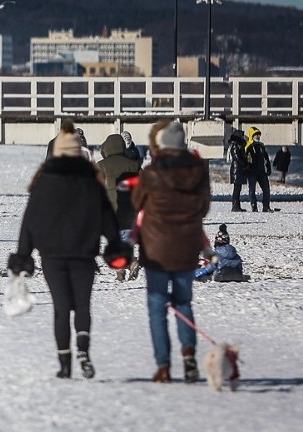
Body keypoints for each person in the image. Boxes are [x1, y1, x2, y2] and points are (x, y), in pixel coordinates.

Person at [7, 120, 125, 379]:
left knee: (61, 308)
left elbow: (31, 220)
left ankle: (64, 363)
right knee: (82, 306)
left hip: (53, 255)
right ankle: (83, 348)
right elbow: (107, 217)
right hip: (84, 253)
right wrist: (115, 244)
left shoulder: (45, 181)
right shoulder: (91, 181)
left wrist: (23, 254)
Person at [131, 120, 211, 384]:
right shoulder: (199, 170)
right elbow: (204, 208)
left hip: (156, 249)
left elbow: (137, 202)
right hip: (187, 247)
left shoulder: (151, 172)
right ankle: (188, 355)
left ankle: (163, 366)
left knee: (157, 306)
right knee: (183, 302)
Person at [96, 133, 142, 281]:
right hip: (130, 211)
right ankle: (123, 269)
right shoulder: (133, 164)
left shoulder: (101, 166)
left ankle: (125, 268)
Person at [244, 127, 273, 212]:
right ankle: (254, 205)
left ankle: (266, 206)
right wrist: (247, 169)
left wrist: (268, 168)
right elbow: (246, 159)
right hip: (252, 172)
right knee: (252, 189)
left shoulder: (261, 146)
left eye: (258, 135)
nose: (257, 136)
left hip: (261, 171)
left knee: (266, 189)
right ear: (251, 136)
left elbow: (266, 158)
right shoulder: (248, 147)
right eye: (255, 135)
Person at [227, 129, 248, 212]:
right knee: (237, 188)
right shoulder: (235, 145)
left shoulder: (238, 144)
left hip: (238, 169)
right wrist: (244, 163)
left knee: (238, 188)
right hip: (237, 169)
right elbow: (237, 156)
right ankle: (235, 206)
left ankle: (237, 205)